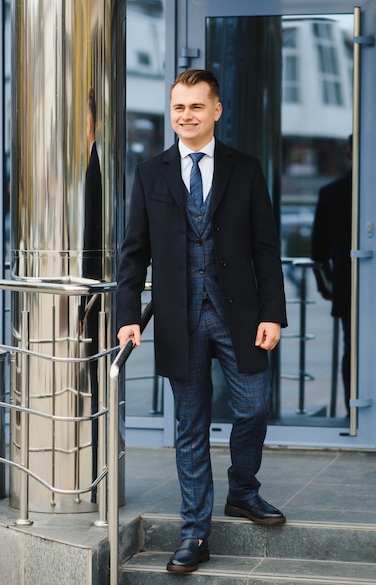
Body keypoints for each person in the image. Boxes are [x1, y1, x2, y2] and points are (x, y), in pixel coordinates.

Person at [116, 69, 288, 573]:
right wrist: (129, 317)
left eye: (195, 106)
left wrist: (273, 314)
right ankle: (195, 533)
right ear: (171, 113)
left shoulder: (246, 169)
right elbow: (134, 254)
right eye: (177, 107)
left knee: (253, 408)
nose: (185, 115)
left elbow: (266, 249)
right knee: (189, 427)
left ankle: (244, 490)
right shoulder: (151, 173)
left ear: (216, 111)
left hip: (240, 316)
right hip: (177, 318)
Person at [311, 135, 376, 416]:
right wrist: (326, 284)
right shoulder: (332, 192)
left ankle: (369, 407)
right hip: (350, 282)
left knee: (373, 342)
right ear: (349, 154)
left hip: (370, 282)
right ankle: (358, 410)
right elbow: (318, 248)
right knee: (362, 344)